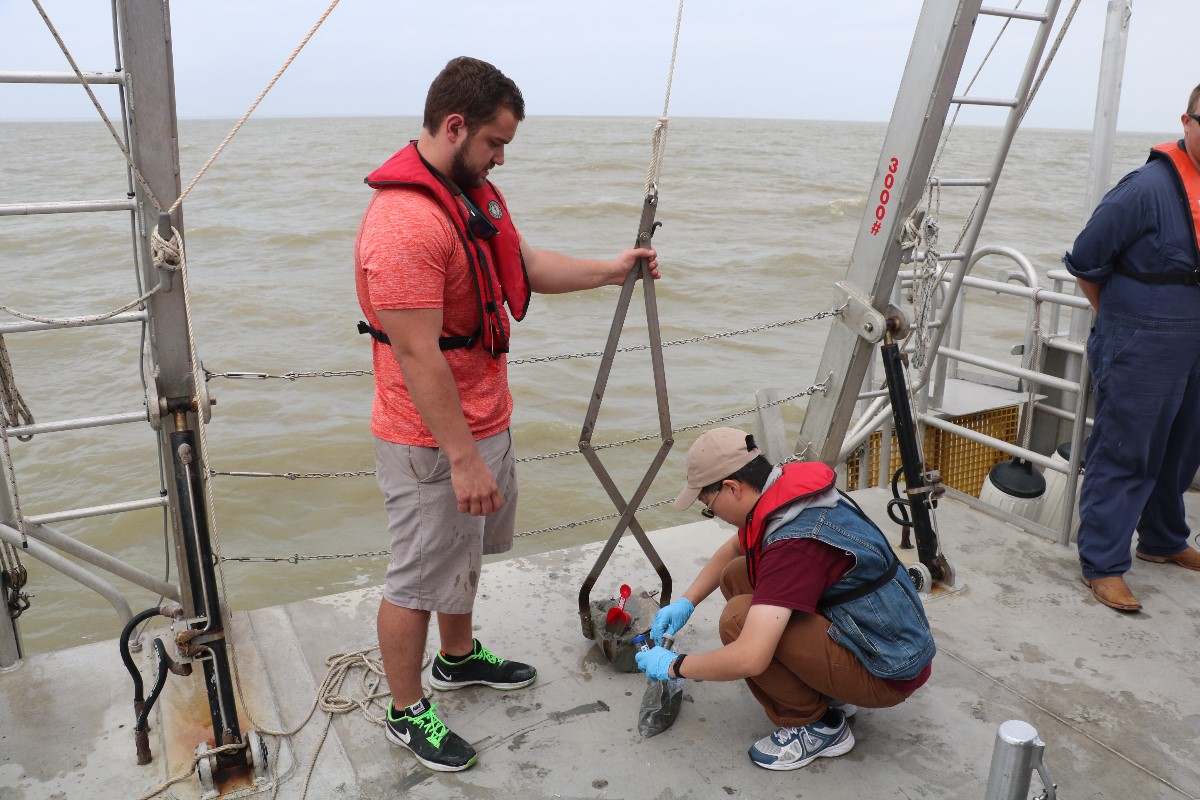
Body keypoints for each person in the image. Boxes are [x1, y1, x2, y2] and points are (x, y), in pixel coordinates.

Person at [354, 56, 659, 772]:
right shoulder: (403, 225)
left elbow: (519, 264)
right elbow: (418, 356)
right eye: (495, 143)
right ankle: (406, 712)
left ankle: (456, 659)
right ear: (454, 126)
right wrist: (460, 460)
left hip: (485, 417)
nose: (499, 159)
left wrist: (613, 268)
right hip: (432, 441)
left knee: (461, 559)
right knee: (415, 578)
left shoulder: (471, 194)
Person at [635, 427, 934, 771]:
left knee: (738, 621)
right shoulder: (780, 491)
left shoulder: (793, 545)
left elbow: (749, 658)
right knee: (737, 572)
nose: (713, 514)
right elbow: (736, 547)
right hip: (875, 633)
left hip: (887, 671)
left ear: (732, 488)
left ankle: (815, 726)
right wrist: (685, 603)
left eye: (709, 507)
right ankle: (823, 686)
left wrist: (673, 666)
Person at [1063, 83, 1200, 613]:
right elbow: (1086, 260)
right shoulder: (1142, 188)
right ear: (1185, 122)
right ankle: (1102, 562)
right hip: (1142, 336)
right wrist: (1122, 323)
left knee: (1184, 445)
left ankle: (1164, 539)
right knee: (1126, 450)